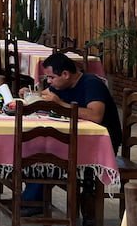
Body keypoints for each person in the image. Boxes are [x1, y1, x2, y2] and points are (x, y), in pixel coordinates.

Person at [20, 52, 121, 214]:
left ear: (66, 74)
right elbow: (44, 95)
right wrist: (31, 94)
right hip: (74, 138)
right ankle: (33, 199)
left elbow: (96, 115)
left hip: (99, 145)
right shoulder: (60, 85)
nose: (49, 81)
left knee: (48, 157)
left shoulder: (91, 84)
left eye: (52, 77)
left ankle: (31, 202)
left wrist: (60, 104)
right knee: (35, 149)